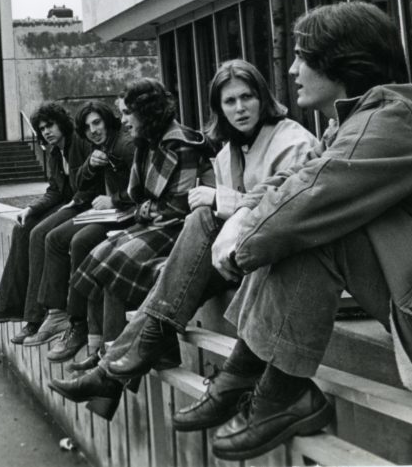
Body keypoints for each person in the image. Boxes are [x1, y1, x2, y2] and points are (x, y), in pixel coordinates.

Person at [198, 1, 412, 461]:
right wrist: (240, 217)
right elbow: (294, 183)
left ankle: (272, 386)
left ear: (340, 61)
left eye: (302, 56)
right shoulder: (354, 122)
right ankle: (256, 377)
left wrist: (241, 239)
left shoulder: (395, 120)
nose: (292, 69)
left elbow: (311, 198)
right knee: (294, 218)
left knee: (309, 226)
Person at [48, 60, 317, 420]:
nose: (240, 108)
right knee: (142, 257)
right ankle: (113, 370)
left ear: (263, 98)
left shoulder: (292, 140)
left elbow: (286, 211)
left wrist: (221, 201)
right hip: (233, 255)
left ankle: (110, 370)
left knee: (181, 231)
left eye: (247, 97)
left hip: (278, 259)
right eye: (229, 102)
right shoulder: (226, 152)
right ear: (219, 109)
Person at [49, 78, 216, 418]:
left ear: (147, 112)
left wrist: (143, 208)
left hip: (182, 233)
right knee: (107, 260)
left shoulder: (180, 144)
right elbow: (141, 197)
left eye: (128, 113)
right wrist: (144, 207)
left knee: (114, 262)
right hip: (161, 225)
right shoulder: (146, 141)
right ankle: (115, 367)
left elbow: (175, 208)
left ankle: (106, 371)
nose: (123, 120)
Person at [0, 102, 90, 344]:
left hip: (84, 204)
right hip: (68, 202)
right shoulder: (54, 152)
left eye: (50, 125)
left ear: (62, 123)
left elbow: (90, 184)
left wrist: (73, 202)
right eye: (42, 128)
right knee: (23, 228)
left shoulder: (79, 143)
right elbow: (54, 190)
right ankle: (9, 306)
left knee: (39, 234)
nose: (47, 131)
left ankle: (35, 318)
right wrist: (31, 208)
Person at [38, 99, 136, 363]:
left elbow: (144, 186)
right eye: (88, 126)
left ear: (108, 120)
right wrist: (91, 165)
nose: (93, 130)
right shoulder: (100, 147)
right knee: (56, 238)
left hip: (128, 215)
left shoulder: (125, 145)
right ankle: (62, 316)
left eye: (97, 123)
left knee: (81, 242)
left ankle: (78, 324)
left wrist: (115, 198)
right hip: (111, 214)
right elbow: (77, 182)